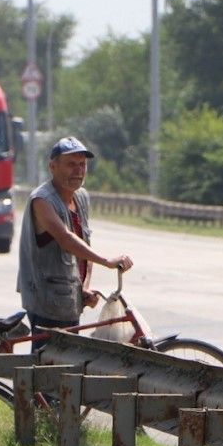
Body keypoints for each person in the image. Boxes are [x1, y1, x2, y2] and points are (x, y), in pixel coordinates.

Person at [16, 136, 133, 350]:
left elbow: (83, 242)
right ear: (53, 166)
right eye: (71, 164)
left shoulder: (81, 197)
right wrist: (106, 261)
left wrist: (84, 287)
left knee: (68, 366)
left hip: (69, 300)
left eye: (82, 165)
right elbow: (65, 238)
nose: (78, 171)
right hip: (47, 300)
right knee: (47, 367)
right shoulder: (42, 200)